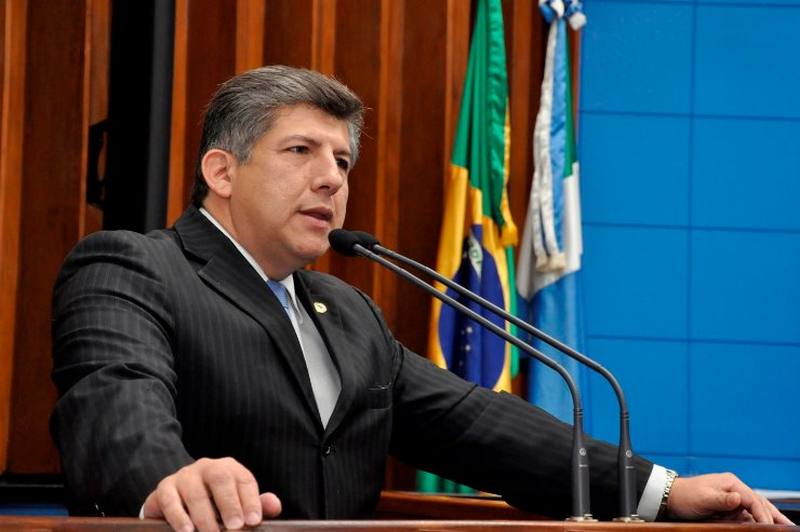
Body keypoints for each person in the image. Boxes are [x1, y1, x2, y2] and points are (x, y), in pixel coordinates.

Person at [50, 66, 792, 532]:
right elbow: (115, 401)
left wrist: (661, 490)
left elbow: (480, 425)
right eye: (301, 151)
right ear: (221, 171)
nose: (332, 177)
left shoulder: (348, 313)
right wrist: (168, 480)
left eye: (343, 160)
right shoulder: (134, 268)